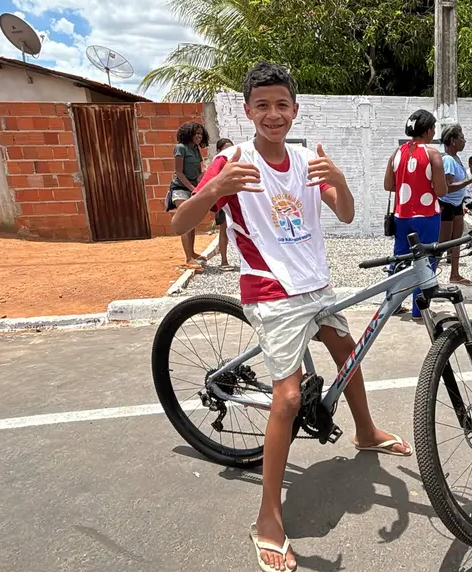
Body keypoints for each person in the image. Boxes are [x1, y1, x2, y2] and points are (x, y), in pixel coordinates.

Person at [171, 62, 412, 572]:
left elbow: (344, 213)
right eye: (262, 105)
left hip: (316, 283)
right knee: (288, 395)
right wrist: (214, 190)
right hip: (269, 287)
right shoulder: (231, 161)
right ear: (247, 111)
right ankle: (268, 520)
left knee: (349, 353)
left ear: (295, 109)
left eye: (282, 104)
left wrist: (341, 182)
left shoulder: (307, 159)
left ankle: (365, 431)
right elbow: (179, 223)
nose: (273, 114)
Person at [383, 109, 447, 320]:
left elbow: (388, 185)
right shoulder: (432, 154)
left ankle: (391, 304)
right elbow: (441, 191)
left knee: (399, 259)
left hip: (402, 215)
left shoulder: (397, 152)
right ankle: (421, 309)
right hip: (427, 216)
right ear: (428, 131)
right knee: (426, 260)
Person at [167, 121, 210, 270]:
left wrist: (203, 180)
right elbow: (179, 172)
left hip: (193, 188)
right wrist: (193, 188)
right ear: (188, 134)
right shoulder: (180, 148)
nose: (199, 136)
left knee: (191, 222)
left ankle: (192, 252)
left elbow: (199, 171)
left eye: (200, 134)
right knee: (185, 221)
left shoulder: (196, 149)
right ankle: (188, 259)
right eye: (196, 133)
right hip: (180, 188)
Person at [438, 124, 472, 286]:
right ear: (453, 141)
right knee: (442, 244)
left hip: (456, 205)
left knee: (457, 240)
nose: (464, 141)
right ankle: (429, 277)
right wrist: (471, 180)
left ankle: (455, 274)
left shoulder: (457, 159)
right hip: (446, 205)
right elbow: (447, 186)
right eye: (461, 138)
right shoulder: (447, 160)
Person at [209, 137, 235, 271]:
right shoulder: (218, 164)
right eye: (226, 148)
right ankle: (224, 261)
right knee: (223, 230)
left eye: (231, 147)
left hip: (236, 199)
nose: (229, 150)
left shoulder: (236, 162)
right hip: (223, 200)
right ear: (219, 150)